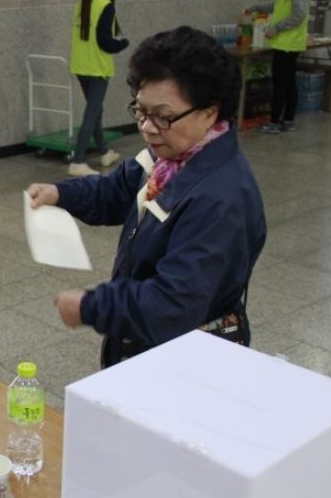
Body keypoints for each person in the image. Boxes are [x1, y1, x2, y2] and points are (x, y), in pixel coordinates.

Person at [27, 26, 266, 368]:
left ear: (210, 112)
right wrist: (60, 193)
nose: (148, 127)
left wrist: (90, 306)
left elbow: (172, 305)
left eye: (163, 116)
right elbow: (117, 191)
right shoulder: (172, 157)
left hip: (189, 358)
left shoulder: (220, 199)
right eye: (141, 111)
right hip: (146, 341)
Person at [68, 0, 129, 177]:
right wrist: (123, 43)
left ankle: (104, 152)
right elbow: (105, 41)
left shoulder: (81, 3)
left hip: (80, 65)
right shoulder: (105, 5)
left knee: (96, 111)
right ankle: (78, 161)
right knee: (92, 112)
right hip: (97, 67)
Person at [247, 0, 311, 135]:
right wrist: (255, 8)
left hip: (287, 44)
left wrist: (276, 28)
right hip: (287, 43)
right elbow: (276, 6)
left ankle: (274, 122)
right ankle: (288, 120)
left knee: (281, 83)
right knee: (289, 82)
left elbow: (299, 15)